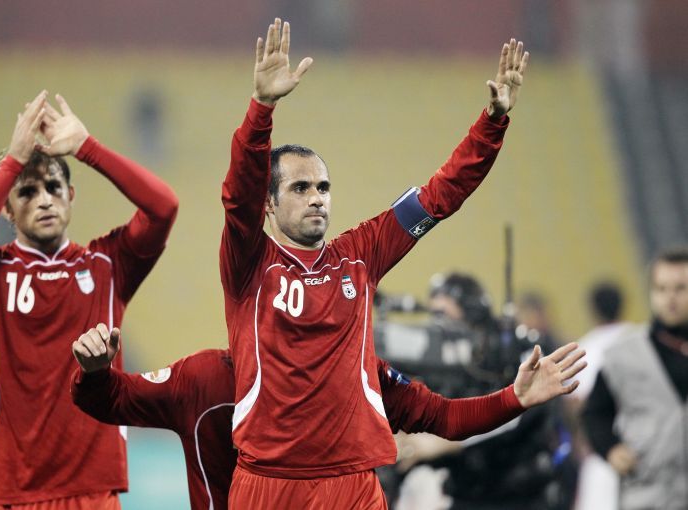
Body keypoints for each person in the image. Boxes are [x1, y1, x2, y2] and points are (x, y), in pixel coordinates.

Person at [220, 17, 582, 508]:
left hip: (351, 486)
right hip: (268, 484)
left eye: (323, 187)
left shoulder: (359, 254)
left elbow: (439, 196)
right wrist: (261, 109)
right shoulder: (248, 262)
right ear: (268, 204)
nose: (316, 198)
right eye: (300, 187)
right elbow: (237, 196)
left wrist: (492, 122)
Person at [0, 91, 179, 509]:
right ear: (7, 210)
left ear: (71, 195)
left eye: (53, 187)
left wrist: (88, 148)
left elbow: (164, 207)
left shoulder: (107, 265)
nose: (44, 199)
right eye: (27, 192)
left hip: (91, 489)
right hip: (9, 491)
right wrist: (12, 162)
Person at [68, 323, 586, 510]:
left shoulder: (353, 369)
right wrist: (93, 373)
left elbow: (442, 417)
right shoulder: (201, 379)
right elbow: (110, 400)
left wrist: (512, 399)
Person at [395, 273, 580, 510]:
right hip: (468, 491)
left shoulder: (515, 348)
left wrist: (447, 442)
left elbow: (521, 413)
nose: (440, 326)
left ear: (473, 313)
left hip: (522, 493)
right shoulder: (442, 360)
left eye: (444, 314)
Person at [582, 248, 688, 509]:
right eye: (661, 289)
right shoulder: (623, 354)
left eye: (680, 288)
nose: (670, 298)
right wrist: (610, 448)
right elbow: (594, 413)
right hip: (649, 492)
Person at [571, 282, 628, 510]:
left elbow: (578, 404)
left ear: (593, 310)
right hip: (644, 451)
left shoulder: (585, 349)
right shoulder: (640, 339)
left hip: (602, 452)